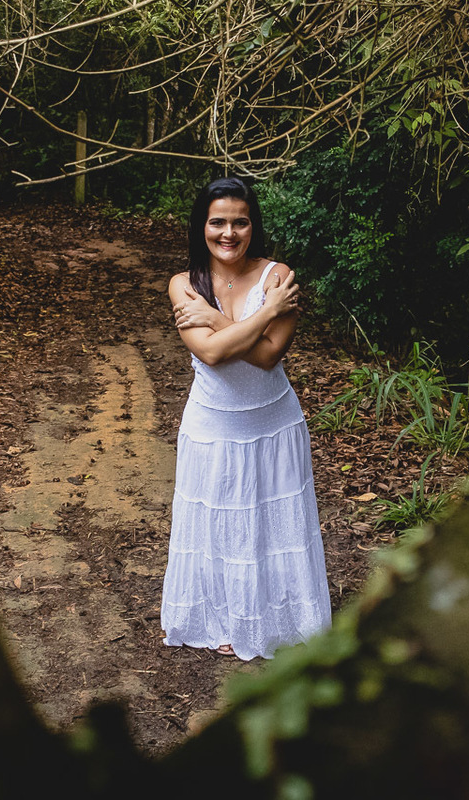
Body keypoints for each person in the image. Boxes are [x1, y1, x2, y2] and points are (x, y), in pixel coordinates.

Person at [159, 176, 332, 660]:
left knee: (273, 526)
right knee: (218, 526)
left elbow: (269, 355)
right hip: (212, 426)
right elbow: (212, 355)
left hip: (272, 424)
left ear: (253, 226)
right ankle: (224, 620)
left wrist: (218, 320)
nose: (229, 233)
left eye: (240, 222)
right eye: (218, 222)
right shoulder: (183, 284)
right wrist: (260, 315)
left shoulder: (278, 276)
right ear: (202, 226)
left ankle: (278, 620)